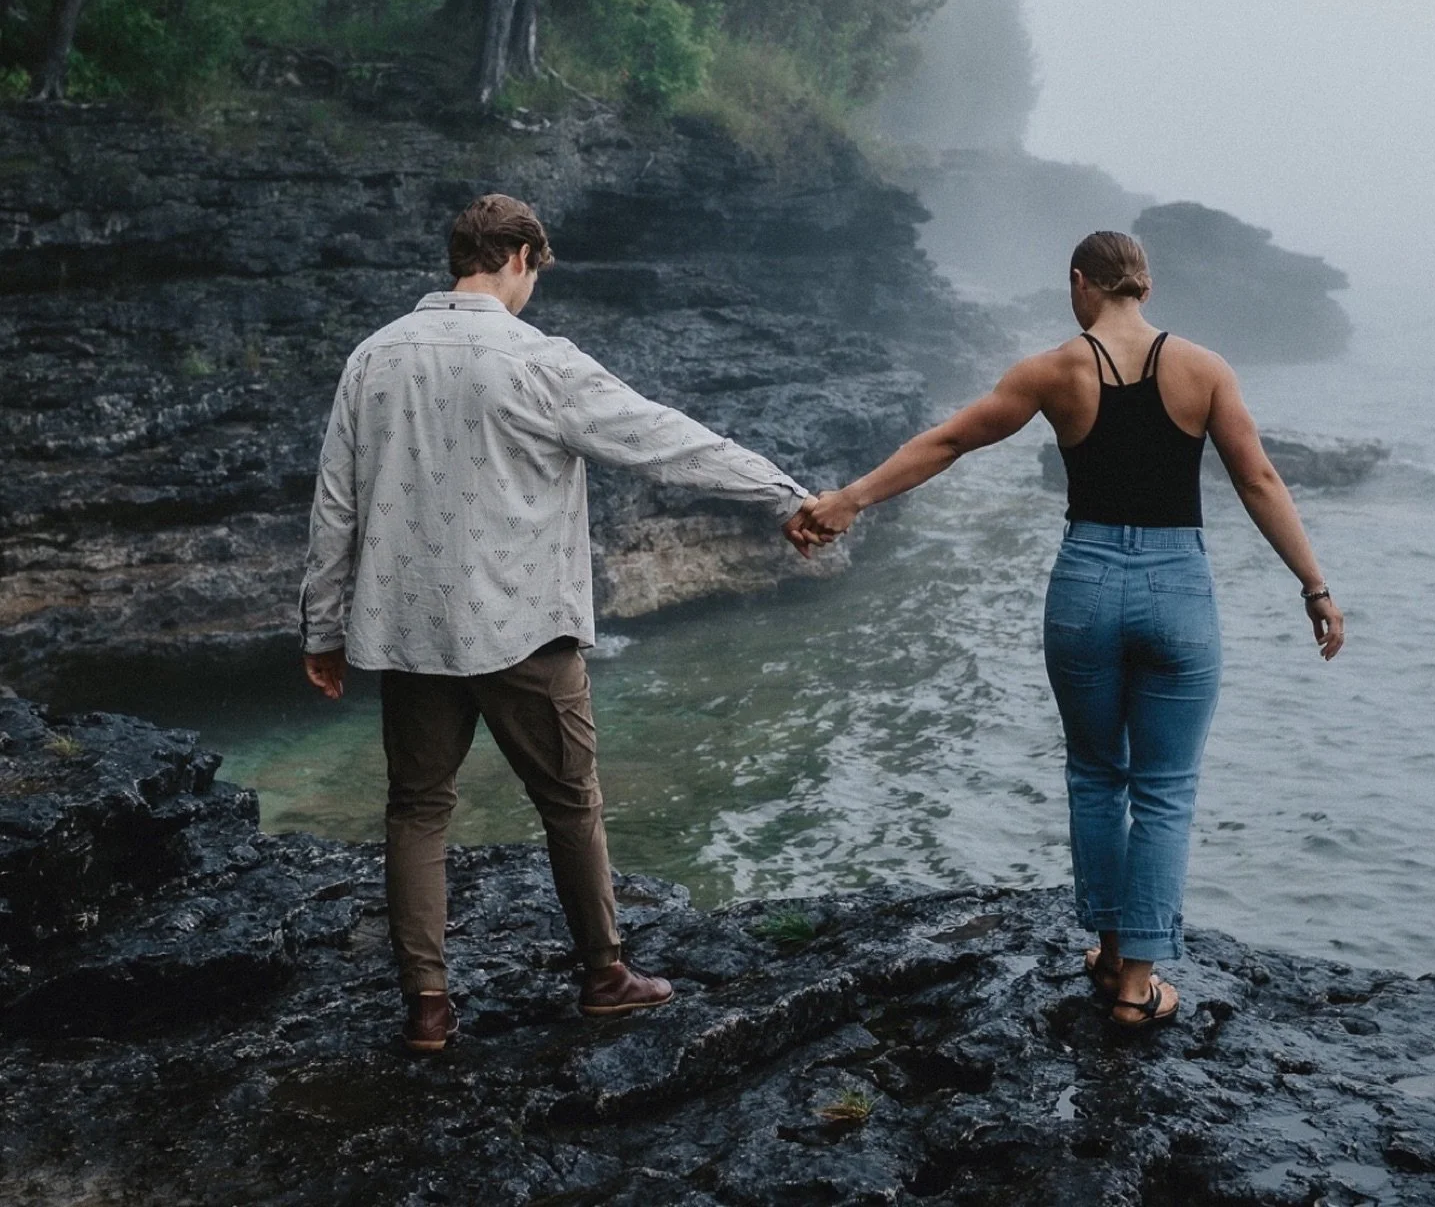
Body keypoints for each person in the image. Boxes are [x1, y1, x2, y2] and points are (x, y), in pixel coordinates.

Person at [301, 193, 817, 1052]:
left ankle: (427, 1007)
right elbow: (666, 438)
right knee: (572, 803)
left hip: (411, 629)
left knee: (417, 809)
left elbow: (335, 508)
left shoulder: (374, 358)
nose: (534, 284)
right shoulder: (538, 361)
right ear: (518, 257)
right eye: (536, 268)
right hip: (523, 626)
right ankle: (605, 974)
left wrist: (322, 631)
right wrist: (785, 492)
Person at [791, 229, 1344, 1032]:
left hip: (1086, 584)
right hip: (1176, 587)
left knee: (1096, 775)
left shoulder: (1055, 369)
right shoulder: (1203, 369)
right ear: (1145, 290)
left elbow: (950, 442)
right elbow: (1256, 478)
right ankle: (1137, 986)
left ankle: (1112, 951)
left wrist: (849, 500)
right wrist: (1315, 586)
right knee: (1165, 791)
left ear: (1081, 283)